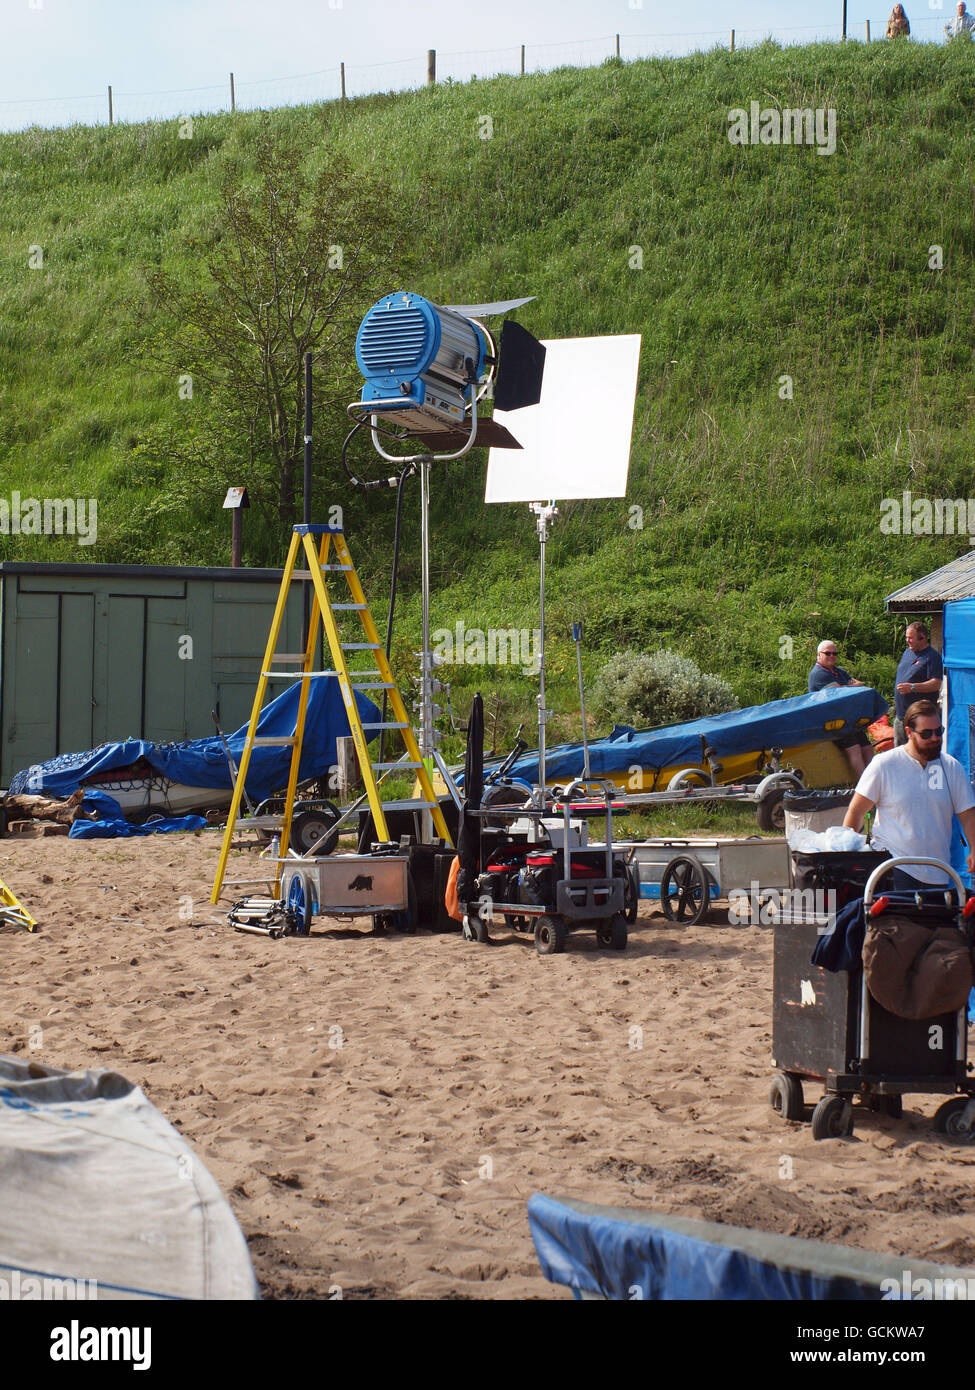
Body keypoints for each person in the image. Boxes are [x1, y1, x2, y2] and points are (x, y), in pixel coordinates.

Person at [843, 700, 975, 892]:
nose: (935, 738)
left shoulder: (951, 767)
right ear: (908, 732)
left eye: (939, 731)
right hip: (893, 868)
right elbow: (856, 812)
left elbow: (968, 814)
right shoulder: (884, 764)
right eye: (926, 734)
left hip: (938, 872)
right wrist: (848, 858)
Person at [808, 640, 874, 777]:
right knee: (855, 748)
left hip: (847, 719)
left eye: (834, 653)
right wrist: (848, 687)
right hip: (831, 721)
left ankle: (876, 781)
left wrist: (845, 687)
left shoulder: (838, 671)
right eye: (828, 653)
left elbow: (860, 685)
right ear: (819, 655)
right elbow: (837, 693)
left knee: (867, 747)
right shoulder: (819, 674)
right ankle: (863, 786)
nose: (832, 656)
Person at [893, 621, 943, 747]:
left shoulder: (932, 657)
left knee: (920, 751)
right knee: (900, 753)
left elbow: (936, 683)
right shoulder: (907, 652)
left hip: (920, 718)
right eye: (906, 637)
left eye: (910, 638)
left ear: (922, 637)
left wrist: (912, 687)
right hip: (901, 716)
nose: (907, 640)